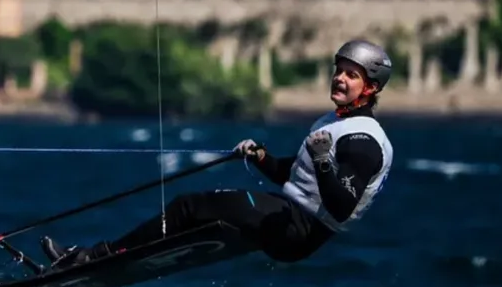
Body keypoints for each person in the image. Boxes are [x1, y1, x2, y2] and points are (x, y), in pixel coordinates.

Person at [40, 39, 396, 271]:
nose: (340, 79)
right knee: (197, 213)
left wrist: (320, 159)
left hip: (300, 230)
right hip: (289, 218)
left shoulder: (363, 140)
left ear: (372, 87)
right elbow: (298, 176)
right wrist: (260, 158)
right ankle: (126, 255)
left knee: (186, 208)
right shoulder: (335, 122)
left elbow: (341, 205)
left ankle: (95, 259)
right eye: (339, 71)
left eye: (352, 75)